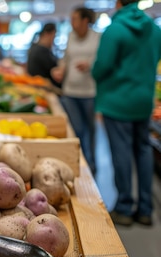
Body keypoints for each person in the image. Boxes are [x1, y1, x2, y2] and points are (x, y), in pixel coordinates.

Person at [91, 0, 161, 226]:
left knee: (121, 152)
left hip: (117, 102)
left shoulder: (115, 29)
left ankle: (123, 207)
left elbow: (101, 67)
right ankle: (145, 209)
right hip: (143, 100)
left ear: (119, 3)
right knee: (143, 151)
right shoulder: (154, 29)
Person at [52, 7, 100, 175]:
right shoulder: (70, 37)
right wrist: (60, 70)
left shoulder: (97, 37)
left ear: (85, 21)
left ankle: (92, 164)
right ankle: (79, 163)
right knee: (76, 130)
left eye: (75, 19)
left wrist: (90, 65)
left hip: (89, 92)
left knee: (90, 131)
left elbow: (101, 61)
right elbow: (65, 59)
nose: (72, 23)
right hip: (70, 91)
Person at [26, 23, 61, 88]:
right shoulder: (42, 51)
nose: (53, 41)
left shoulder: (34, 47)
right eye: (53, 36)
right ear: (47, 34)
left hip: (35, 86)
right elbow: (55, 68)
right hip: (42, 88)